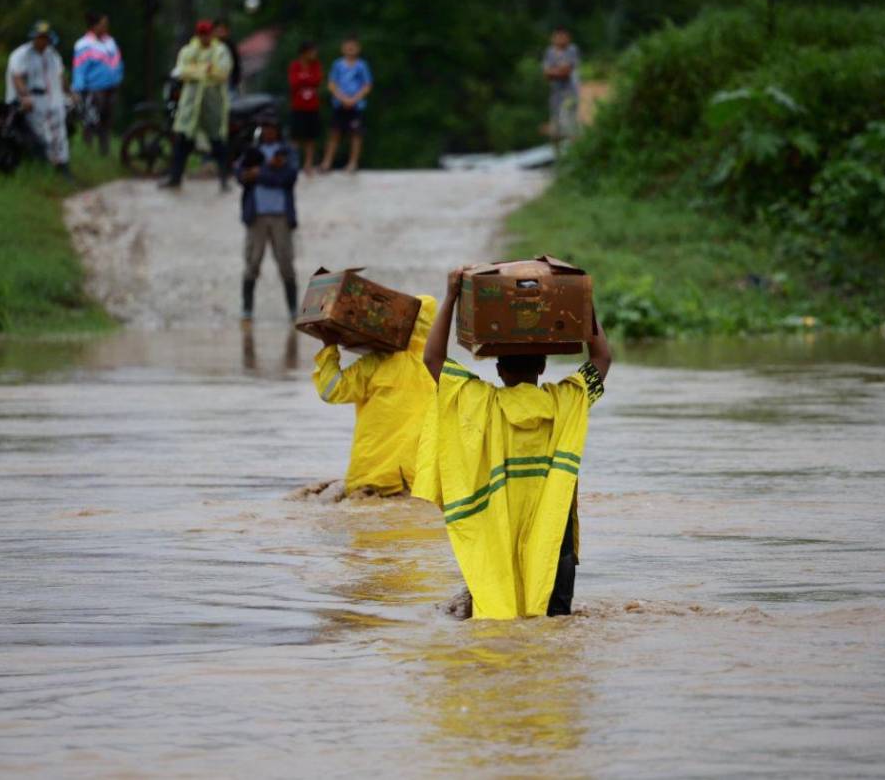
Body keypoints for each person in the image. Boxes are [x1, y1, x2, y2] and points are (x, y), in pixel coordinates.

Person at [414, 266, 612, 620]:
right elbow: (601, 358)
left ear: (499, 369)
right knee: (553, 633)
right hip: (556, 543)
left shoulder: (481, 403)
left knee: (499, 621)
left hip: (498, 536)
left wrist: (451, 295)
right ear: (542, 366)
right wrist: (582, 302)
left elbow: (432, 359)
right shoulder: (566, 402)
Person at [312, 295, 438, 498]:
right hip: (420, 481)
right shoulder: (440, 369)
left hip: (372, 478)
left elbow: (331, 390)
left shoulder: (377, 362)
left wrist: (329, 347)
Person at [238, 122, 299, 321]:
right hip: (257, 216)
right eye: (266, 128)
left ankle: (293, 310)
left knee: (286, 264)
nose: (269, 132)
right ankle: (247, 310)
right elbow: (239, 174)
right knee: (252, 263)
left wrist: (259, 174)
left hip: (281, 216)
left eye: (272, 127)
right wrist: (267, 171)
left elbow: (288, 177)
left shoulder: (287, 152)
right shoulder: (253, 151)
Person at [164, 19, 233, 190]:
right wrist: (204, 70)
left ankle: (224, 179)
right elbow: (181, 71)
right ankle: (175, 177)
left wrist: (199, 70)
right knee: (183, 140)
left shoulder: (220, 51)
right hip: (190, 104)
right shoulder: (188, 51)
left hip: (212, 103)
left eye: (207, 33)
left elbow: (222, 73)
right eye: (202, 34)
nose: (205, 37)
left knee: (217, 140)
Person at [6, 20, 72, 177]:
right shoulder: (22, 54)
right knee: (42, 134)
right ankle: (45, 167)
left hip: (52, 98)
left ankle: (62, 166)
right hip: (33, 98)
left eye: (45, 37)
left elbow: (60, 75)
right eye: (40, 37)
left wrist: (69, 93)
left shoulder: (52, 54)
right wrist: (24, 96)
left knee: (59, 133)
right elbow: (17, 77)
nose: (42, 41)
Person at [72, 11, 124, 156]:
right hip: (94, 89)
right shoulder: (84, 44)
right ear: (94, 26)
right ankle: (88, 152)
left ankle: (104, 152)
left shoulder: (110, 42)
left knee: (107, 121)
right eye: (103, 24)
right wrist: (79, 89)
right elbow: (79, 68)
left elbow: (118, 62)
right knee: (91, 120)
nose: (106, 26)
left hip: (111, 88)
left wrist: (118, 77)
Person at [320, 36, 372, 174]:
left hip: (356, 104)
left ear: (358, 49)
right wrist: (342, 98)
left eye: (353, 46)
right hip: (339, 103)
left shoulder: (362, 65)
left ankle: (353, 163)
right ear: (342, 48)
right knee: (334, 133)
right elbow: (331, 84)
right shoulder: (337, 64)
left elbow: (367, 85)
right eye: (348, 46)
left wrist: (354, 99)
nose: (350, 49)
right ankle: (327, 162)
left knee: (356, 134)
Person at [287, 42, 323, 177]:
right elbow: (293, 83)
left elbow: (317, 80)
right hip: (298, 106)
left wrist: (304, 78)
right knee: (295, 137)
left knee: (310, 137)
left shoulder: (316, 65)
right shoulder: (295, 66)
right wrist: (307, 79)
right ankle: (293, 163)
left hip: (312, 106)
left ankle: (309, 163)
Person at [543, 27, 581, 145]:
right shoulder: (549, 52)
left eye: (562, 36)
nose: (560, 39)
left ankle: (575, 150)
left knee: (568, 124)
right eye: (557, 37)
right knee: (555, 128)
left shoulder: (572, 50)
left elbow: (566, 72)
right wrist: (558, 71)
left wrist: (554, 71)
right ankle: (558, 156)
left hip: (569, 94)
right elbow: (546, 73)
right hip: (555, 95)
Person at [213, 18, 242, 94]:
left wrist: (236, 79)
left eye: (223, 30)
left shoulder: (230, 45)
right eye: (218, 31)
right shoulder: (211, 46)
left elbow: (236, 63)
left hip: (229, 79)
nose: (221, 33)